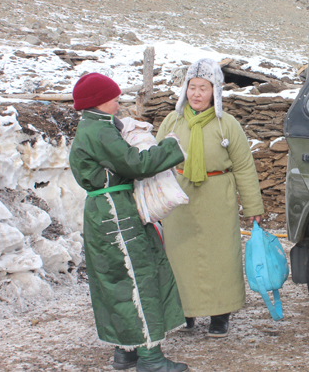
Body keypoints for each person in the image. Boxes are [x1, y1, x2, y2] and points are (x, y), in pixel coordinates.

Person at [68, 73, 189, 372]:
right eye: (114, 97)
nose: (118, 102)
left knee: (116, 281)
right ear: (97, 101)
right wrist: (171, 148)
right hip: (115, 211)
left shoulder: (91, 128)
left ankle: (126, 351)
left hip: (102, 211)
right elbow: (135, 163)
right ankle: (150, 358)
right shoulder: (100, 131)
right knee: (139, 276)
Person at [156, 58, 265, 338]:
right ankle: (185, 313)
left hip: (218, 198)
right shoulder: (173, 121)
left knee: (221, 257)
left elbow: (243, 167)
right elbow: (155, 162)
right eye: (192, 87)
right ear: (185, 89)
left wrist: (253, 206)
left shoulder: (227, 125)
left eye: (203, 88)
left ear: (214, 91)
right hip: (180, 200)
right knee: (180, 258)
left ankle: (220, 314)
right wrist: (153, 201)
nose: (196, 94)